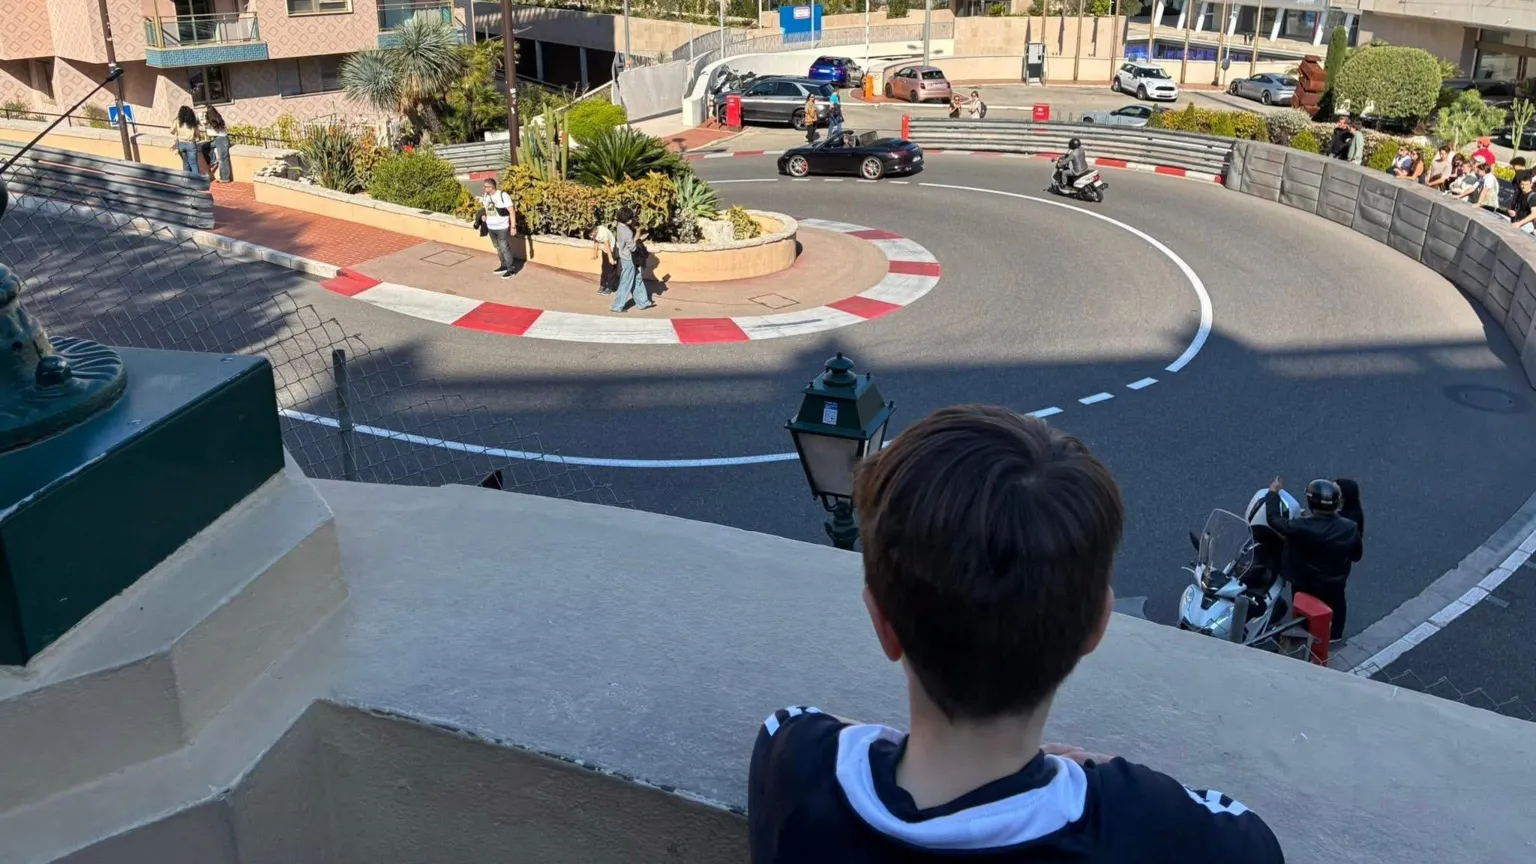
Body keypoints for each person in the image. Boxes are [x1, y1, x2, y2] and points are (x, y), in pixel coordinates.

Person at [748, 405, 1287, 863]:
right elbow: (1259, 844)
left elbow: (796, 722)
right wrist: (1091, 769)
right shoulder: (1137, 820)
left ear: (883, 624)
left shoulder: (795, 764)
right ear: (1096, 625)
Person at [1265, 477, 1361, 643]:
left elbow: (1274, 519)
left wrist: (1273, 493)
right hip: (1335, 580)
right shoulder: (1350, 527)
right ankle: (1335, 635)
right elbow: (1356, 555)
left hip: (1305, 579)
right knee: (1337, 604)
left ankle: (1303, 636)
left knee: (1304, 606)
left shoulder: (1301, 526)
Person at [609, 207, 654, 313]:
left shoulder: (620, 226)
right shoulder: (626, 232)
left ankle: (643, 302)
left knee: (637, 278)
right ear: (627, 219)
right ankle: (617, 306)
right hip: (629, 258)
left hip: (625, 257)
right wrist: (638, 238)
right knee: (626, 282)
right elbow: (632, 247)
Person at [476, 178, 516, 279]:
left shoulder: (503, 195)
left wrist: (513, 227)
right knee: (498, 247)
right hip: (491, 227)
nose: (483, 188)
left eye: (485, 186)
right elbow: (486, 209)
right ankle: (504, 265)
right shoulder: (486, 196)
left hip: (502, 227)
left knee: (504, 248)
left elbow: (511, 211)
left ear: (491, 187)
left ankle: (511, 269)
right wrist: (484, 216)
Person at [201, 105, 232, 184]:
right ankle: (213, 160)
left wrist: (206, 124)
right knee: (205, 147)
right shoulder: (218, 117)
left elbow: (211, 133)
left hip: (221, 139)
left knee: (223, 160)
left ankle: (225, 178)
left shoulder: (213, 121)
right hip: (221, 138)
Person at [171, 106, 202, 176]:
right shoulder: (192, 122)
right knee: (193, 164)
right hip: (191, 144)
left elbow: (171, 131)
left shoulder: (178, 121)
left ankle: (186, 180)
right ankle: (196, 180)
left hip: (181, 143)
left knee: (185, 163)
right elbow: (197, 134)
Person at [592, 215, 618, 295]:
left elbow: (607, 245)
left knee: (611, 269)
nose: (592, 235)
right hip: (604, 250)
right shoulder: (593, 232)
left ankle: (610, 287)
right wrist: (595, 253)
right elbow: (595, 241)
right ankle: (603, 285)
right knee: (604, 268)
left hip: (612, 249)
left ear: (595, 230)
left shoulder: (602, 232)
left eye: (592, 233)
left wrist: (610, 257)